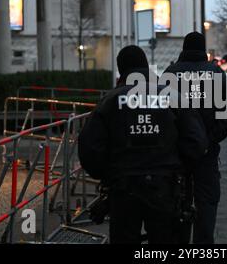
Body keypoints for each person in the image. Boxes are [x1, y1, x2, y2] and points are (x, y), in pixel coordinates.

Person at [78, 45, 208, 244]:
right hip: (166, 186)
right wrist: (178, 167)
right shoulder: (172, 96)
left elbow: (89, 150)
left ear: (121, 70)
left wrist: (108, 174)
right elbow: (196, 142)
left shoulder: (110, 101)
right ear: (146, 67)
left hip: (123, 189)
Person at [164, 32, 227, 244]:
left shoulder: (170, 74)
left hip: (178, 156)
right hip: (207, 155)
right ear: (203, 50)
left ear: (183, 49)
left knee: (178, 202)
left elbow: (162, 116)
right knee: (207, 203)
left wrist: (180, 143)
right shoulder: (216, 73)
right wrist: (207, 142)